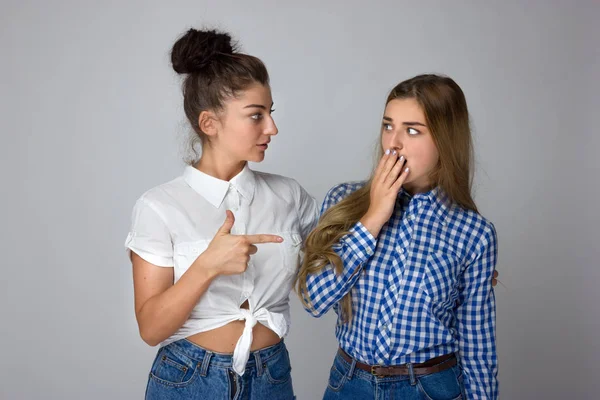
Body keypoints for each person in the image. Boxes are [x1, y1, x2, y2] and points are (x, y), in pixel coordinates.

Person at [125, 28, 318, 399]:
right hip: (190, 380)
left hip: (271, 377)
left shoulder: (289, 195)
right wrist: (207, 265)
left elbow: (337, 256)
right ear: (209, 123)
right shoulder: (159, 206)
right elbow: (151, 329)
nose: (272, 128)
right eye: (256, 116)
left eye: (270, 114)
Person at [297, 74, 499, 399]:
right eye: (388, 126)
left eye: (412, 130)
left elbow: (477, 347)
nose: (393, 142)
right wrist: (373, 218)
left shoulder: (474, 234)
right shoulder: (343, 201)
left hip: (429, 389)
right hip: (350, 384)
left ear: (445, 141)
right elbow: (314, 299)